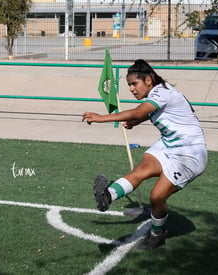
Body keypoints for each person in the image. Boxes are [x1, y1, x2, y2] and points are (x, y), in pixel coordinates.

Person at [82, 59, 207, 250]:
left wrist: (102, 118)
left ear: (148, 80)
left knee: (156, 196)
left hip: (189, 154)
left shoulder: (161, 92)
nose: (132, 89)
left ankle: (158, 234)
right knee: (142, 169)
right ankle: (108, 195)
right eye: (129, 85)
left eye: (134, 83)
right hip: (169, 145)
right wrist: (137, 122)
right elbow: (156, 112)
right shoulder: (161, 91)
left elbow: (140, 111)